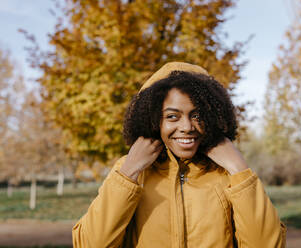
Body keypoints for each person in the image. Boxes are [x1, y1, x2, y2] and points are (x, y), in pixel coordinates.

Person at [72, 62, 286, 247]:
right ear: (153, 118)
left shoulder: (230, 175)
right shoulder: (128, 172)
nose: (186, 127)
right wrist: (129, 172)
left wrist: (240, 170)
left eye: (197, 115)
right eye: (172, 116)